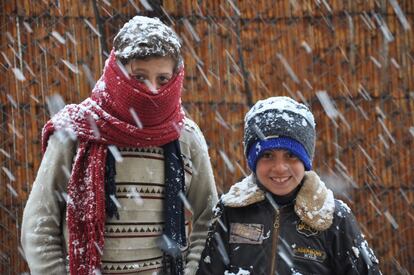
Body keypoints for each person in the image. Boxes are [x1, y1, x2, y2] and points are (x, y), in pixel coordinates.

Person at [21, 16, 218, 275]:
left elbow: (210, 217)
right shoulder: (76, 133)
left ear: (175, 78)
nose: (152, 90)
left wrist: (192, 271)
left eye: (162, 79)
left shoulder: (186, 137)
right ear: (117, 73)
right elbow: (39, 225)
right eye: (139, 77)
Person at [196, 96, 381, 274]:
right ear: (253, 162)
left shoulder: (333, 218)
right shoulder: (230, 211)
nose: (279, 168)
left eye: (291, 155)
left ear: (305, 161)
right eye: (267, 155)